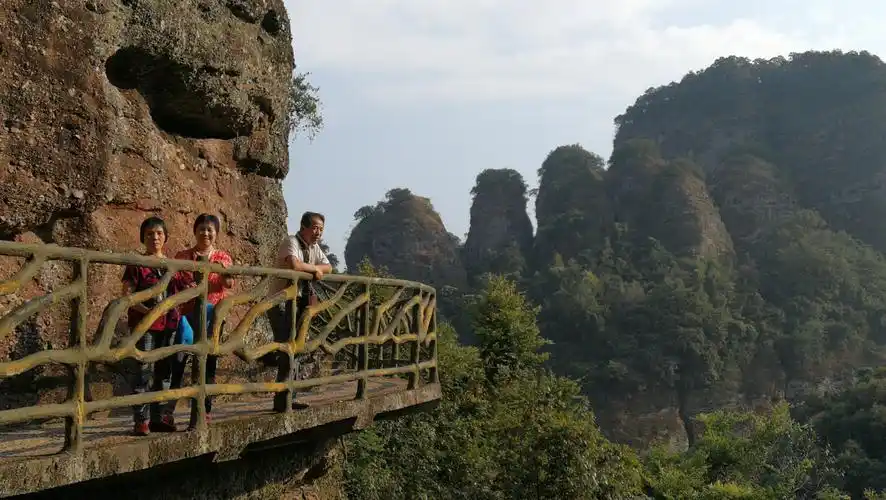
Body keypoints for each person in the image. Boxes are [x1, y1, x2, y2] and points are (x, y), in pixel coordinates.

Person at [122, 216, 185, 436]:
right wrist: (149, 312)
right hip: (144, 325)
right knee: (143, 371)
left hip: (169, 325)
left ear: (165, 237)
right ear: (142, 238)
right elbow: (127, 296)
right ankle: (142, 420)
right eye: (149, 233)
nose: (154, 237)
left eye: (158, 233)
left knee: (164, 373)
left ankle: (159, 418)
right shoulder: (136, 264)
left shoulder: (172, 265)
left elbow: (182, 291)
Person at [267, 211, 333, 411]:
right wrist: (314, 270)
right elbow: (294, 265)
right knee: (288, 348)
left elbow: (329, 267)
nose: (318, 232)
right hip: (278, 303)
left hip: (299, 304)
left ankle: (288, 396)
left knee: (296, 348)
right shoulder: (291, 242)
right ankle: (282, 399)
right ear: (303, 226)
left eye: (321, 229)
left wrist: (317, 268)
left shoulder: (314, 247)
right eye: (314, 228)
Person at [174, 213, 235, 428]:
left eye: (210, 229)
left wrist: (227, 276)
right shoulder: (182, 256)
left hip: (212, 318)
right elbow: (173, 282)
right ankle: (168, 410)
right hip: (186, 316)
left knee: (208, 364)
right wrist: (186, 288)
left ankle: (203, 410)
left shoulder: (222, 258)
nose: (206, 233)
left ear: (216, 233)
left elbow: (228, 284)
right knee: (178, 360)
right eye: (202, 229)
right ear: (195, 231)